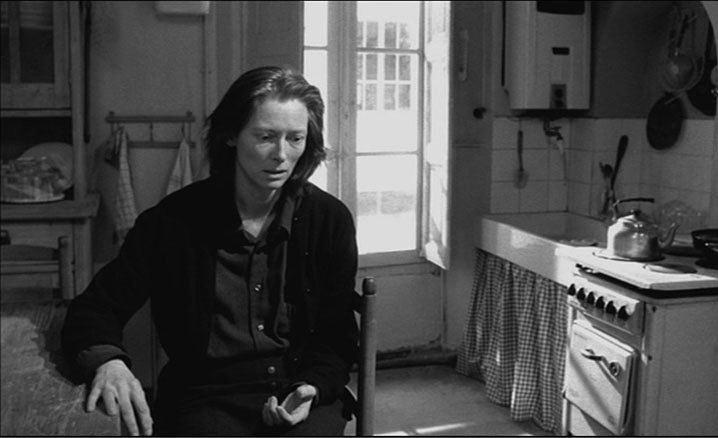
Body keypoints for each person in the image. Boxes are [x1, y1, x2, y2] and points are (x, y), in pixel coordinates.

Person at [62, 66, 359, 436]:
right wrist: (110, 363)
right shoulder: (172, 222)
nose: (281, 155)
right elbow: (95, 309)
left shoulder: (329, 220)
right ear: (231, 135)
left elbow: (336, 336)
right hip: (204, 396)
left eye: (295, 138)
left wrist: (312, 388)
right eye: (265, 137)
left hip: (300, 387)